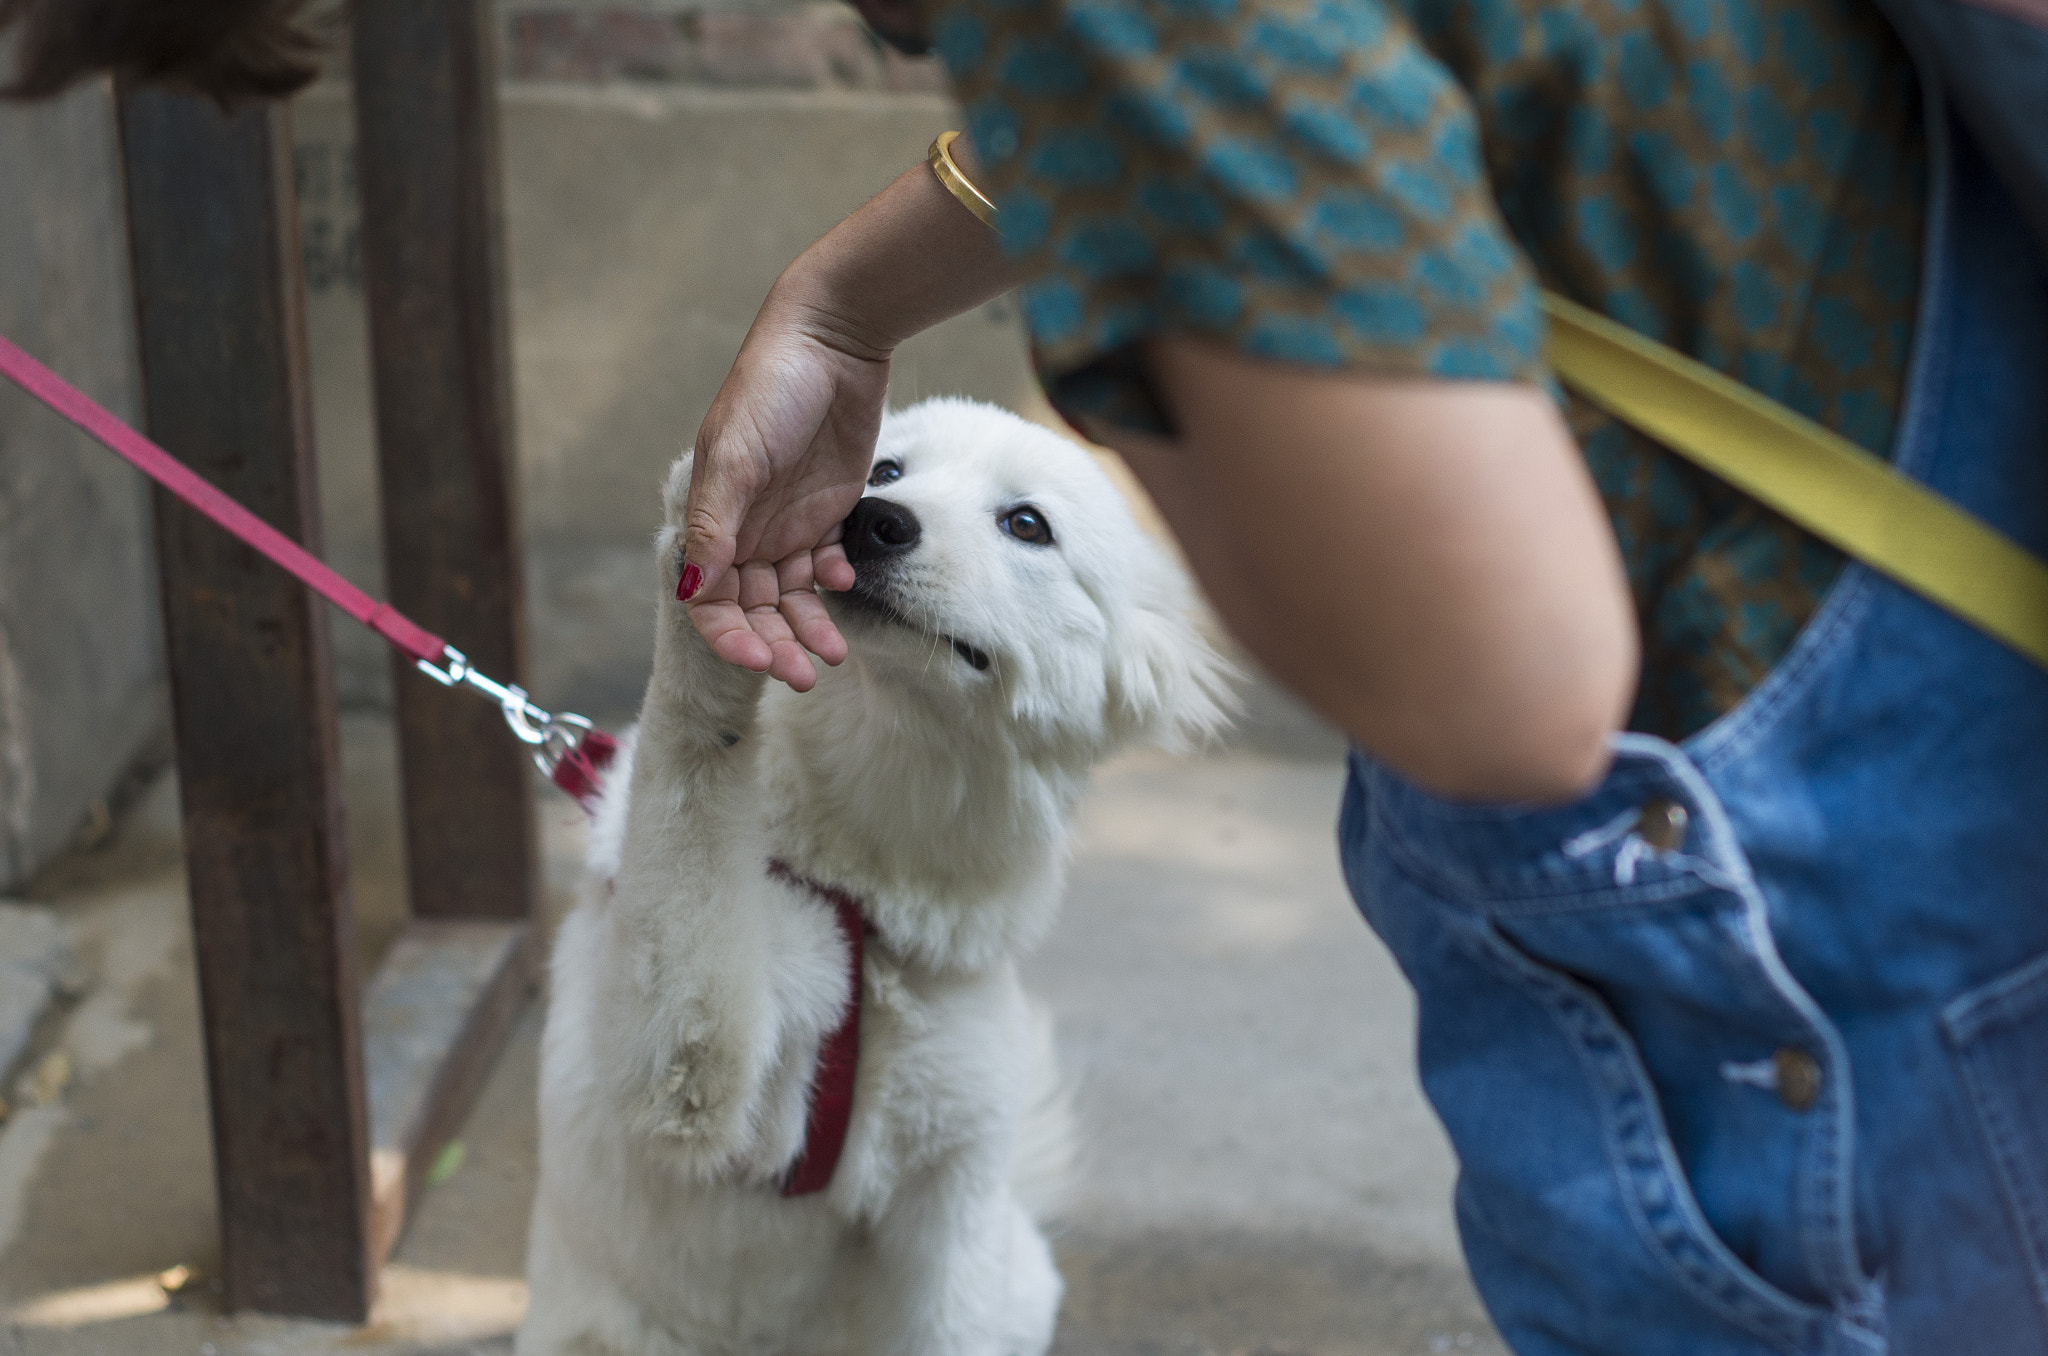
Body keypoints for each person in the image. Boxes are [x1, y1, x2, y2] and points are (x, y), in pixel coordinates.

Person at [8, 0, 2047, 1350]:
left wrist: (1173, 385)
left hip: (1801, 959)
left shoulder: (1117, 35)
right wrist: (850, 290)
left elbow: (1489, 684)